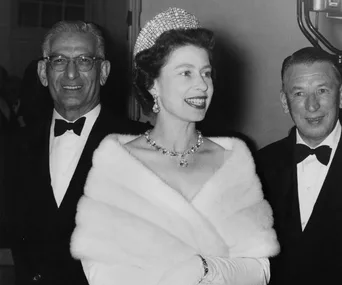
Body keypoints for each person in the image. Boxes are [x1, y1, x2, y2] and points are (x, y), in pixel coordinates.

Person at [71, 7, 279, 285]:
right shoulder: (119, 164)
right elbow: (101, 272)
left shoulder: (234, 160)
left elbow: (259, 269)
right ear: (153, 84)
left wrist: (204, 269)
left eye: (206, 73)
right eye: (186, 73)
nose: (202, 85)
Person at [7, 20, 149, 285]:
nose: (71, 73)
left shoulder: (140, 146)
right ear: (42, 71)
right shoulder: (13, 147)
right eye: (59, 60)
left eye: (84, 60)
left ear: (103, 71)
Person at [257, 47, 342, 285]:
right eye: (299, 94)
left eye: (322, 91)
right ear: (285, 101)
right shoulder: (257, 166)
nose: (312, 106)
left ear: (341, 95)